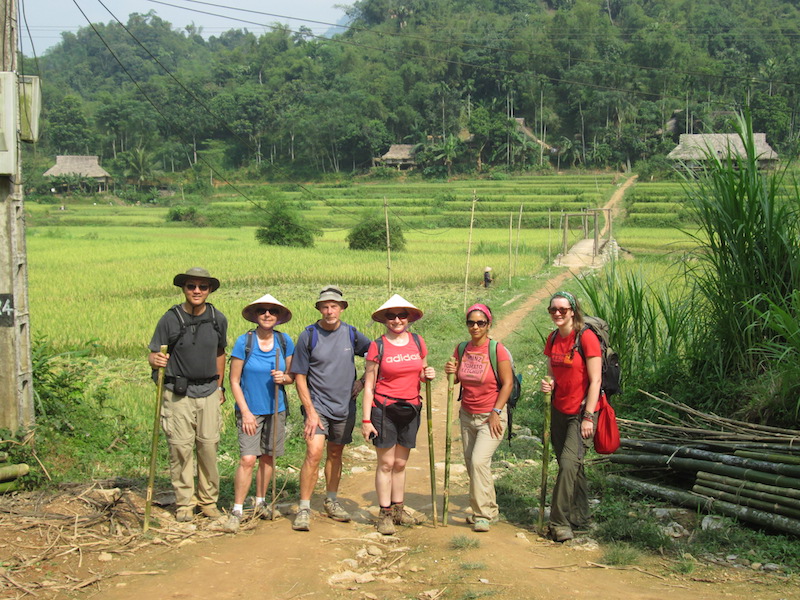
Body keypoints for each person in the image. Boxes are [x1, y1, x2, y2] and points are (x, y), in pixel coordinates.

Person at [148, 267, 228, 523]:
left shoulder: (218, 318)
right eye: (191, 286)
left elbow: (220, 353)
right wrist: (156, 359)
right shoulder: (169, 319)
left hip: (208, 392)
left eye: (202, 287)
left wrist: (220, 387)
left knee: (208, 447)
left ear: (209, 290)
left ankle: (208, 502)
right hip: (177, 394)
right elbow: (152, 354)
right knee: (180, 449)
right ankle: (184, 503)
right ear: (184, 289)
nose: (196, 291)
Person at [290, 286, 370, 531]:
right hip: (318, 405)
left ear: (342, 308)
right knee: (314, 452)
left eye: (334, 306)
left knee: (336, 453)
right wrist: (310, 412)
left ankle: (331, 500)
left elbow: (375, 355)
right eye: (325, 306)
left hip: (345, 404)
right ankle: (304, 507)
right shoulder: (309, 335)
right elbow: (299, 376)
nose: (329, 311)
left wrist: (364, 380)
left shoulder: (352, 334)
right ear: (318, 309)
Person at [361, 295, 436, 535]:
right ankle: (384, 514)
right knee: (386, 463)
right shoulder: (378, 345)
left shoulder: (417, 341)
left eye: (401, 315)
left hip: (412, 407)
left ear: (408, 318)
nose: (396, 320)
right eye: (391, 316)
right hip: (384, 408)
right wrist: (365, 420)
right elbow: (369, 384)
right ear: (384, 320)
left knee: (401, 463)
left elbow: (421, 373)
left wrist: (429, 374)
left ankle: (399, 509)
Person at [224, 294, 295, 533]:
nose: (267, 315)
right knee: (247, 458)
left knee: (268, 457)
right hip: (250, 410)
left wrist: (283, 378)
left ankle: (261, 501)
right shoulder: (244, 342)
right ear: (256, 315)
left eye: (272, 311)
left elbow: (292, 376)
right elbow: (234, 380)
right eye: (263, 311)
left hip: (276, 408)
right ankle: (237, 508)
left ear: (278, 317)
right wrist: (245, 412)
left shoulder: (285, 342)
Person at [444, 303, 513, 532]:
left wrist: (496, 412)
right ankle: (491, 510)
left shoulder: (497, 350)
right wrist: (450, 372)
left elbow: (508, 384)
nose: (475, 327)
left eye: (480, 323)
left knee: (478, 461)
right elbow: (455, 381)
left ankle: (481, 514)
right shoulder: (462, 348)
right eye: (471, 323)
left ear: (488, 325)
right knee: (473, 466)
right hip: (467, 415)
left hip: (491, 416)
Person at [540, 291, 601, 542]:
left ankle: (559, 522)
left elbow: (595, 379)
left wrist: (588, 416)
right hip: (558, 410)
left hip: (581, 412)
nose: (557, 314)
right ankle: (581, 515)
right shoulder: (553, 337)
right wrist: (550, 384)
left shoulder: (586, 338)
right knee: (572, 466)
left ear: (573, 311)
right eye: (552, 309)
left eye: (562, 310)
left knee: (567, 465)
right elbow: (551, 369)